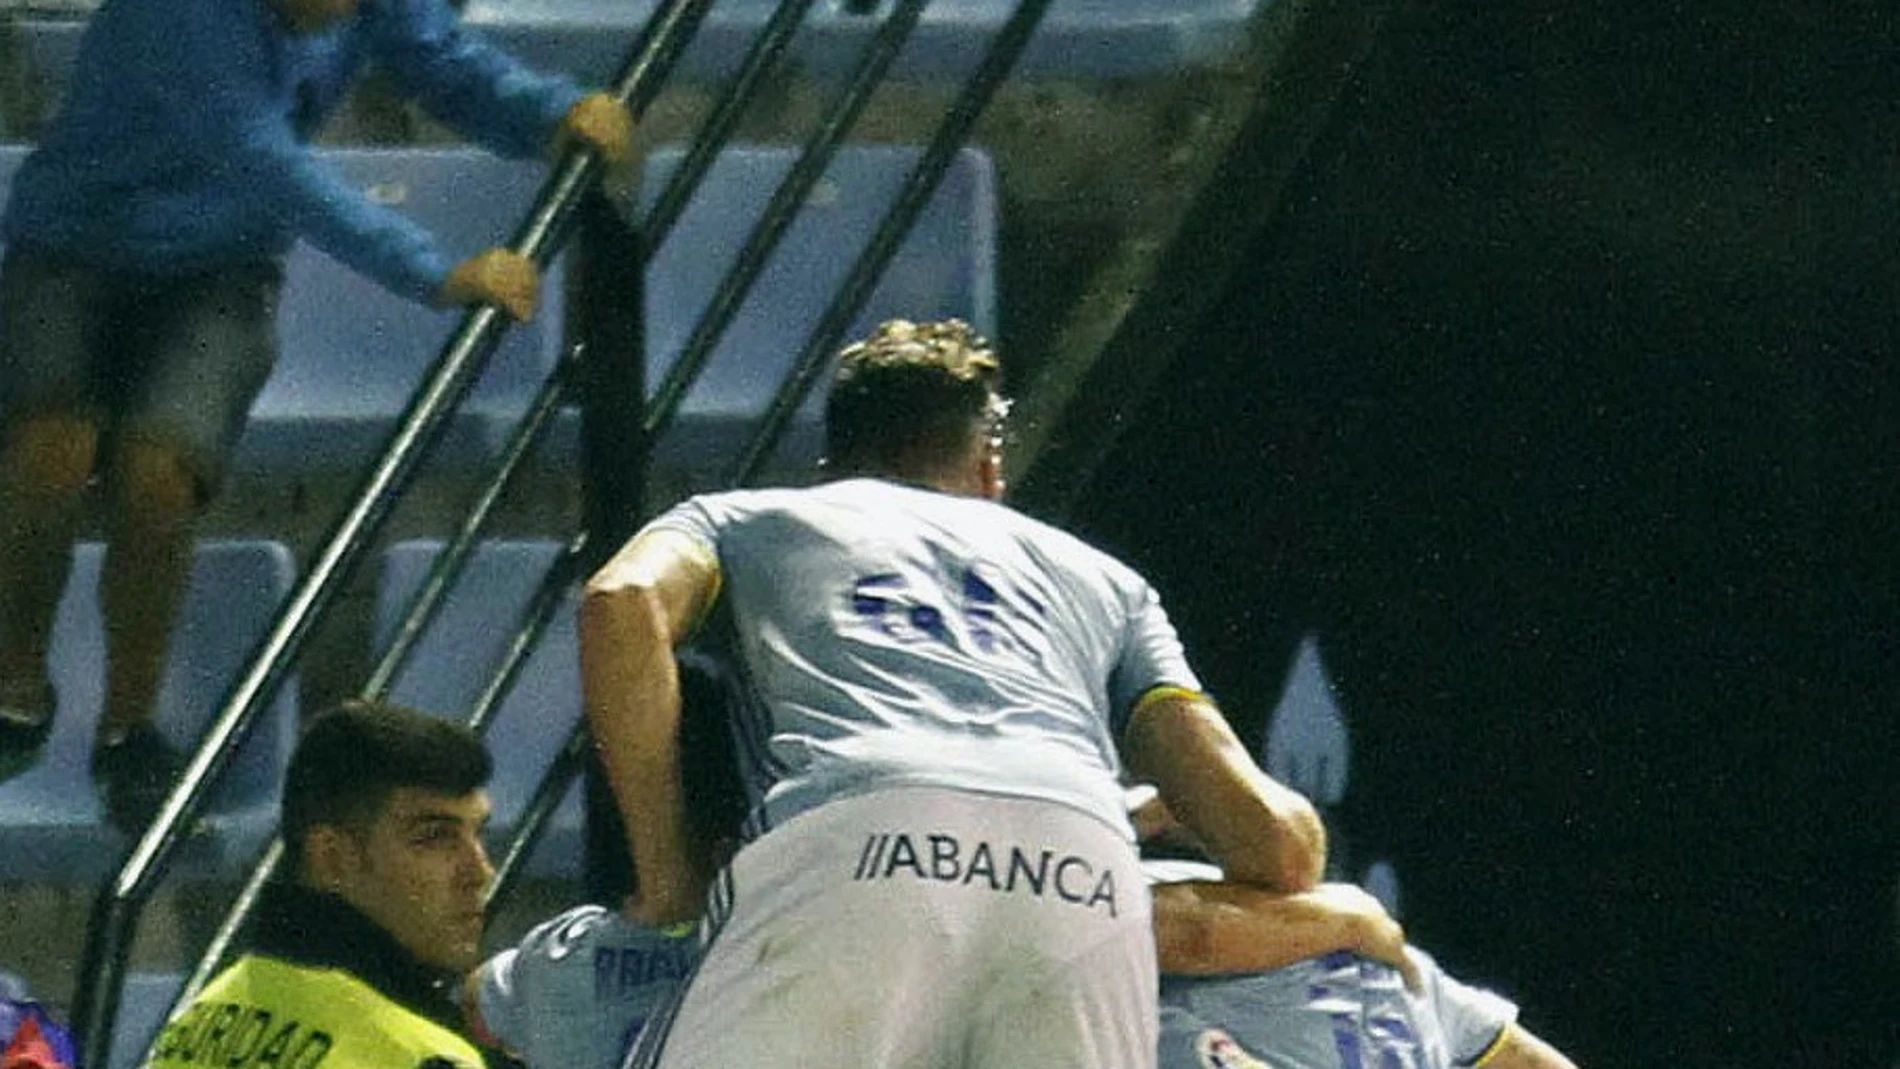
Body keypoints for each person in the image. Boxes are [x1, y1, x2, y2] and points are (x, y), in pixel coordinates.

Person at [580, 317, 1326, 1069]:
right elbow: (1277, 844)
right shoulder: (1109, 583)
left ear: (830, 464)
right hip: (1080, 868)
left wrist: (668, 873)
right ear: (990, 465)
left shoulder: (740, 519)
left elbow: (619, 602)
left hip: (853, 838)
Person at [0, 0, 634, 831]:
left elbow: (443, 62)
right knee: (48, 450)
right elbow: (264, 162)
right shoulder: (175, 17)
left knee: (160, 474)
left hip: (222, 271)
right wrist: (433, 271)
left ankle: (129, 731)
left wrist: (549, 113)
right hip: (70, 250)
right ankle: (15, 689)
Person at [145, 700, 496, 1069]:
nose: (480, 871)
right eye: (435, 837)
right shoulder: (424, 1056)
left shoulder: (198, 1020)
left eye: (479, 833)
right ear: (332, 858)